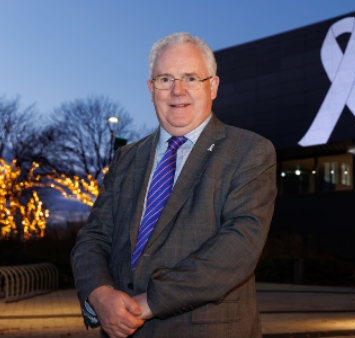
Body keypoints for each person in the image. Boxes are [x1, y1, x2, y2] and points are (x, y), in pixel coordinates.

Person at [71, 32, 277, 338]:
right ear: (151, 88)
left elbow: (239, 246)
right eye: (165, 79)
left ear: (213, 86)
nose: (177, 91)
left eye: (191, 78)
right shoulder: (126, 158)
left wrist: (146, 303)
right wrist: (99, 296)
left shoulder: (250, 151)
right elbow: (93, 238)